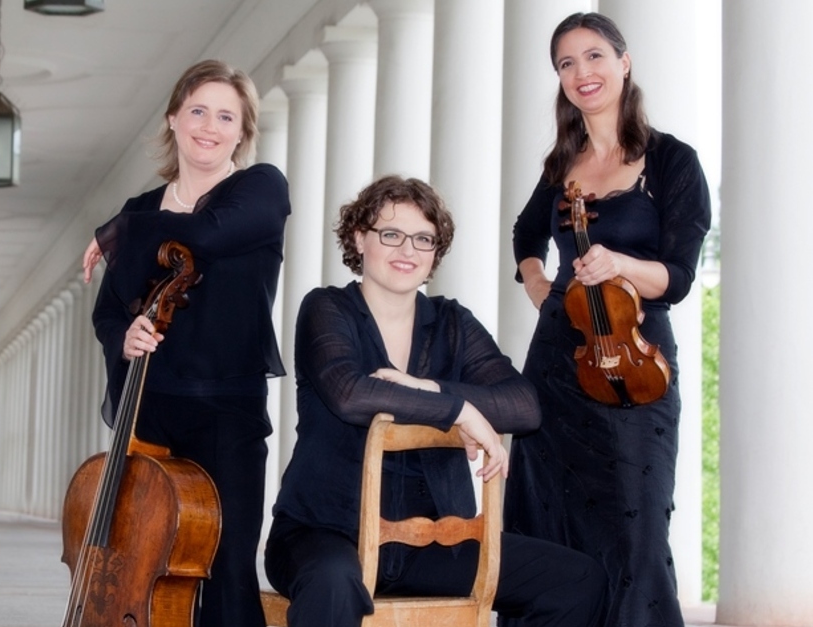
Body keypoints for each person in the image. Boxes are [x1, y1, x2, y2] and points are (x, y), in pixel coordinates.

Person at [265, 175, 606, 627]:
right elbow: (350, 394)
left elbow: (524, 406)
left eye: (423, 239)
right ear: (359, 239)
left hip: (433, 542)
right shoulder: (327, 310)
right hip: (325, 533)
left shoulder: (453, 324)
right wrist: (460, 411)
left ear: (435, 253)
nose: (408, 251)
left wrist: (434, 390)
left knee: (576, 580)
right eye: (391, 234)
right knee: (333, 583)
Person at [502, 12, 712, 627]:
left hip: (635, 363)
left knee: (636, 529)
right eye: (566, 63)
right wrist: (540, 282)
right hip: (559, 366)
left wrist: (619, 262)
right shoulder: (559, 165)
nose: (581, 73)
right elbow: (524, 233)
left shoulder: (672, 161)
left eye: (593, 56)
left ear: (624, 62)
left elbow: (677, 276)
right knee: (548, 520)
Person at [82, 59, 290, 627]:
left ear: (242, 133)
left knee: (227, 572)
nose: (210, 125)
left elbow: (204, 234)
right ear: (173, 118)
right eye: (198, 110)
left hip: (227, 413)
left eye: (227, 116)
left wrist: (116, 233)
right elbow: (106, 314)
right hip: (149, 414)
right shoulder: (140, 213)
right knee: (138, 566)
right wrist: (123, 337)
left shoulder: (260, 190)